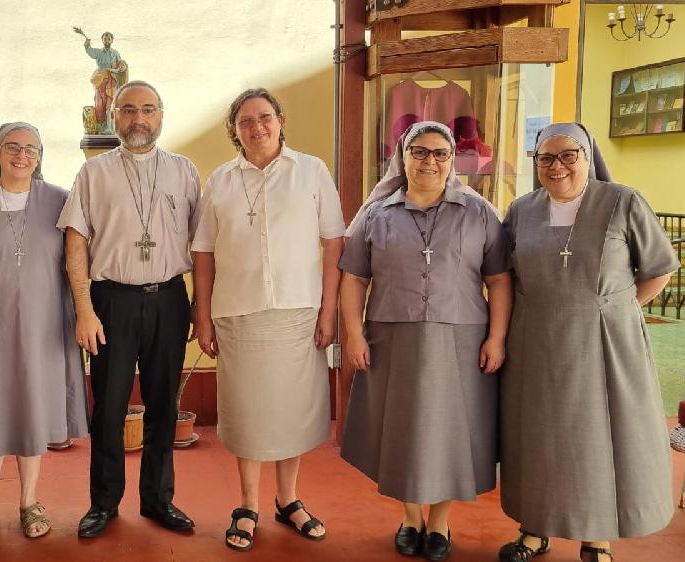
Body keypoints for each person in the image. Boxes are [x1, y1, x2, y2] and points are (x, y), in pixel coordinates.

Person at [497, 123, 678, 562]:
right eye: (545, 157)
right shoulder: (521, 210)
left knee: (597, 438)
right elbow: (504, 274)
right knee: (539, 436)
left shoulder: (623, 201)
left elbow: (659, 269)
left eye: (568, 155)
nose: (556, 166)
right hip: (536, 342)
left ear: (588, 156)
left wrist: (613, 308)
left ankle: (597, 536)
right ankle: (535, 528)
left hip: (605, 344)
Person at [339, 121, 512, 561]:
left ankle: (440, 522)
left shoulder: (478, 213)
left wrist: (496, 337)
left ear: (453, 160)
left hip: (462, 340)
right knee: (400, 428)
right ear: (403, 157)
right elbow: (354, 278)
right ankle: (411, 517)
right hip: (391, 339)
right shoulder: (376, 214)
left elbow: (498, 279)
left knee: (452, 431)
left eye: (440, 153)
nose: (429, 161)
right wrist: (354, 333)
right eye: (419, 152)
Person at [191, 88, 344, 552]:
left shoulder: (311, 171)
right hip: (238, 311)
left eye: (264, 117)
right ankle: (247, 505)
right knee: (248, 413)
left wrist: (329, 310)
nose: (256, 127)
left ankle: (288, 499)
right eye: (245, 121)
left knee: (290, 410)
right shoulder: (220, 180)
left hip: (297, 310)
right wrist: (202, 314)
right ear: (234, 131)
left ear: (280, 120)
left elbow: (334, 243)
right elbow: (203, 251)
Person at [57, 80, 200, 538]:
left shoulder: (184, 170)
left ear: (161, 116)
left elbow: (204, 244)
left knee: (163, 405)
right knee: (109, 407)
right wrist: (84, 310)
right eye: (129, 110)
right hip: (111, 301)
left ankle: (159, 500)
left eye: (148, 109)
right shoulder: (93, 173)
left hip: (169, 299)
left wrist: (200, 305)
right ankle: (103, 504)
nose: (139, 119)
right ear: (114, 116)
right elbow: (75, 242)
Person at [0, 122, 89, 542]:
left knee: (31, 412)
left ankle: (29, 502)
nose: (21, 155)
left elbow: (76, 262)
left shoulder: (60, 201)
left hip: (43, 327)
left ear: (40, 156)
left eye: (31, 149)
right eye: (12, 147)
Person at [74, 27, 127, 135]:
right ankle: (100, 126)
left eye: (109, 39)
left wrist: (123, 66)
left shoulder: (115, 53)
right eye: (105, 39)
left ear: (112, 40)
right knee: (99, 103)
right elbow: (90, 51)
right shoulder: (98, 52)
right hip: (100, 80)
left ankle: (109, 127)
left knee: (110, 103)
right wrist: (87, 43)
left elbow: (121, 63)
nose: (107, 41)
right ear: (102, 40)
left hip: (112, 81)